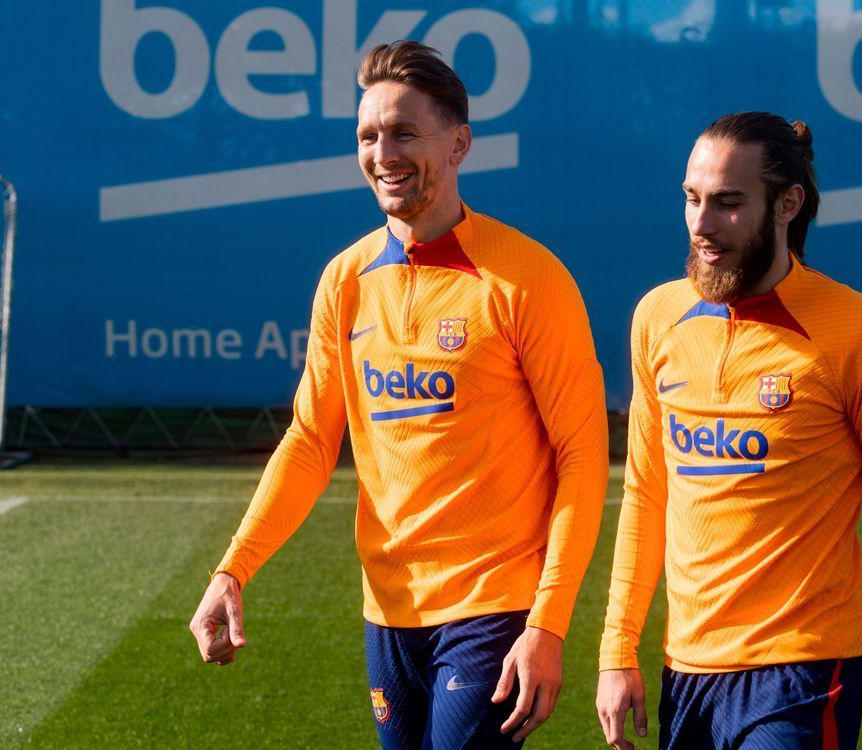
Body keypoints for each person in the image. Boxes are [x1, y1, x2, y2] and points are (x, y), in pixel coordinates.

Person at [187, 40, 607, 749]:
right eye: (368, 135)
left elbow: (582, 455)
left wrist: (548, 623)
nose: (383, 151)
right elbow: (311, 439)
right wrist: (234, 569)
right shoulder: (345, 281)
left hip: (492, 608)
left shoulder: (527, 279)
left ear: (459, 145)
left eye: (405, 132)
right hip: (387, 612)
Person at [594, 111, 862, 750]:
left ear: (788, 203)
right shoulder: (657, 316)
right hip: (686, 669)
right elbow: (646, 496)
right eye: (692, 199)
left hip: (806, 670)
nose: (702, 225)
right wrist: (615, 650)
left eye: (729, 203)